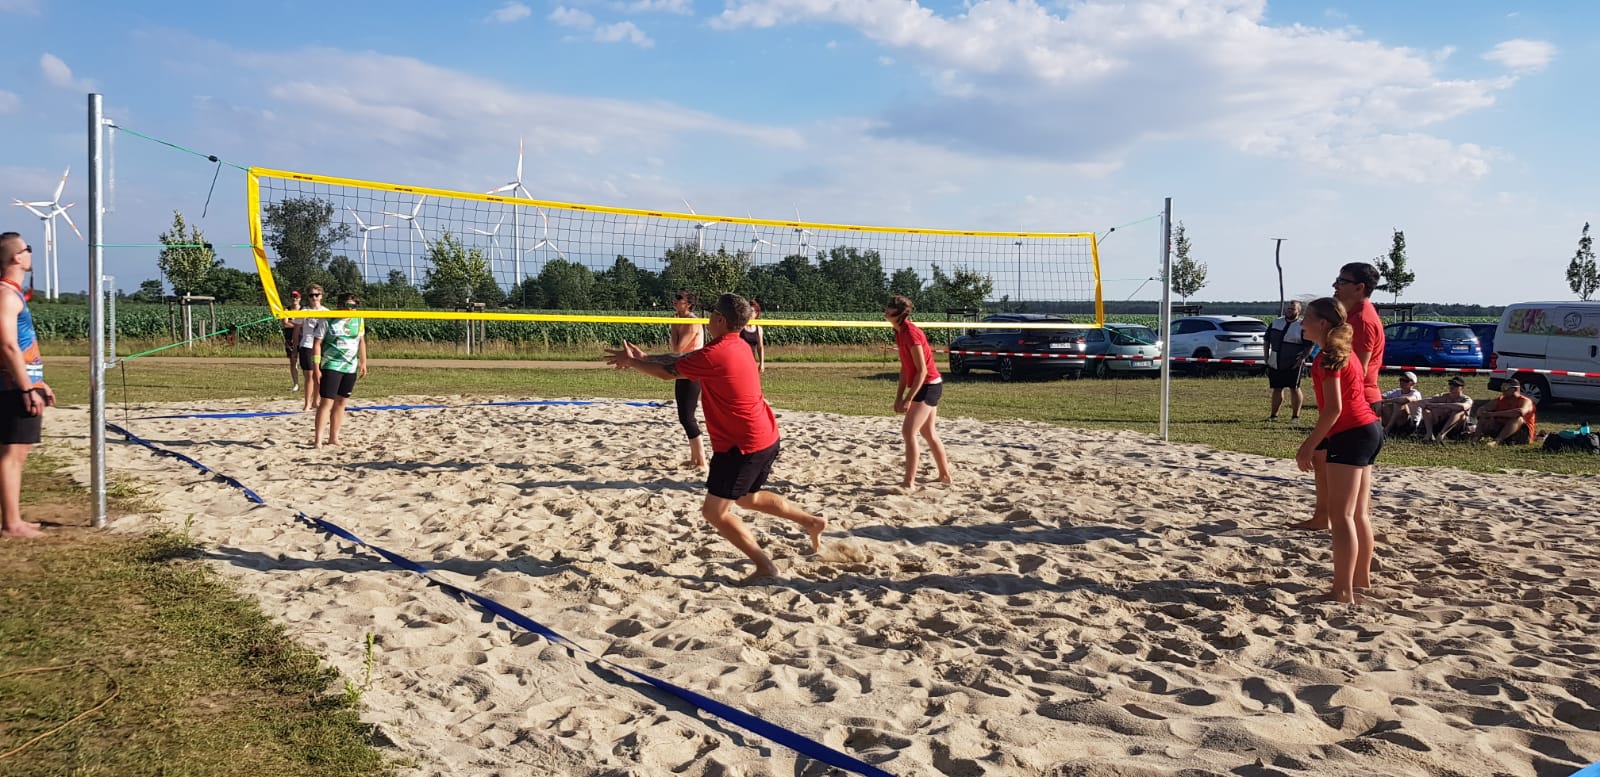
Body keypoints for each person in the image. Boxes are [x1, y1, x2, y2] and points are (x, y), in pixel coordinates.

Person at [604, 293, 826, 581]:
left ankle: (765, 567)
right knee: (748, 498)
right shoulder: (738, 344)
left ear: (720, 320)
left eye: (712, 314)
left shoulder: (716, 353)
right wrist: (645, 358)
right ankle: (811, 522)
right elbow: (681, 359)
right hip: (766, 437)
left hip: (741, 446)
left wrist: (633, 363)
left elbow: (668, 373)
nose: (708, 318)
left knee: (714, 512)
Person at [1294, 296, 1381, 604]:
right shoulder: (1343, 352)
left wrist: (1308, 446)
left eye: (1306, 317)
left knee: (1342, 516)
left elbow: (1333, 409)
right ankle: (1360, 581)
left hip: (1352, 434)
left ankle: (1342, 590)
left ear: (1322, 323)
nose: (1302, 322)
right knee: (1358, 514)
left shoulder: (1329, 357)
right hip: (1369, 430)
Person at [1292, 263, 1384, 531]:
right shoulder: (1350, 316)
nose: (1335, 285)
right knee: (1327, 464)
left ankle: (1345, 522)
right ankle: (1327, 517)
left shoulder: (1362, 320)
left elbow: (1357, 369)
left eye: (1342, 281)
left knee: (1348, 491)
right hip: (1351, 406)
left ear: (1360, 287)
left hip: (1357, 404)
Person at [0, 233, 53, 538]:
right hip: (13, 387)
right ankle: (11, 524)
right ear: (15, 257)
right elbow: (7, 345)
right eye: (27, 249)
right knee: (12, 454)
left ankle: (14, 518)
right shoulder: (6, 295)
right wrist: (26, 388)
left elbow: (23, 346)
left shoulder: (13, 294)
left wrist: (39, 382)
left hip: (23, 383)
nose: (31, 253)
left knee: (18, 454)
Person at [885, 295, 953, 490]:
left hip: (929, 385)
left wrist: (908, 399)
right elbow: (905, 369)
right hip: (926, 384)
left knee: (909, 432)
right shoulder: (899, 332)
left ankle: (909, 482)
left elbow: (922, 371)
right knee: (928, 433)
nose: (886, 310)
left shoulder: (911, 333)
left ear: (900, 313)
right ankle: (945, 476)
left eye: (891, 307)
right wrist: (898, 397)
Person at [312, 292, 367, 449]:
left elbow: (361, 341)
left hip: (350, 366)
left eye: (354, 306)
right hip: (331, 364)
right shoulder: (328, 319)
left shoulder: (358, 319)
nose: (351, 309)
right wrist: (316, 367)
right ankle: (318, 440)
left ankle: (333, 438)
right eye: (348, 306)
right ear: (340, 305)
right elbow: (317, 344)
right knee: (326, 402)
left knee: (342, 402)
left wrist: (363, 362)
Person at [669, 290, 707, 468]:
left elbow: (678, 348)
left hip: (693, 371)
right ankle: (695, 457)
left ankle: (701, 459)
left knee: (687, 417)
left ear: (688, 304)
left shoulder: (691, 321)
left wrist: (674, 326)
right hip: (683, 369)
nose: (675, 302)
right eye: (675, 299)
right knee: (684, 416)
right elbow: (676, 349)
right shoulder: (680, 320)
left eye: (679, 299)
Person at [1265, 300, 1310, 421]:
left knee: (1294, 388)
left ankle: (1295, 417)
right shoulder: (1276, 323)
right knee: (1277, 388)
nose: (1289, 311)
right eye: (1288, 308)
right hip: (1276, 362)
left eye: (1293, 309)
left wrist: (1303, 358)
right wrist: (1266, 357)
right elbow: (1267, 340)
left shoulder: (1303, 325)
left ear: (1299, 311)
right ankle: (1273, 415)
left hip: (1294, 363)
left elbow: (1309, 345)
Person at [1470, 379, 1537, 446]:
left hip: (1522, 435)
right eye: (1501, 388)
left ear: (1515, 389)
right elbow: (1482, 409)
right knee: (1484, 417)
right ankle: (1476, 438)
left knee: (1518, 418)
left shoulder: (1526, 401)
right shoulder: (1500, 400)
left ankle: (1497, 441)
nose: (1503, 391)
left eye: (1505, 388)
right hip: (1503, 430)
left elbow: (1519, 412)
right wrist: (1484, 414)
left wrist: (1493, 414)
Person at [295, 285, 329, 412]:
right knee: (309, 375)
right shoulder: (304, 311)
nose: (314, 297)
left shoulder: (326, 312)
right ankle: (307, 403)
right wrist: (295, 347)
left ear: (321, 296)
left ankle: (316, 401)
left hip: (321, 346)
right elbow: (297, 329)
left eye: (316, 295)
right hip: (307, 345)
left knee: (318, 375)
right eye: (311, 295)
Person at [1419, 376, 1474, 442]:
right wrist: (1432, 407)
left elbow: (1462, 407)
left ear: (1462, 388)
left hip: (1457, 428)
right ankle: (1429, 434)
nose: (1452, 386)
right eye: (1450, 384)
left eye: (1455, 385)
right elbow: (1423, 402)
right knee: (1426, 410)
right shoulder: (1443, 396)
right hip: (1440, 424)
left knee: (1459, 412)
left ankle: (1442, 435)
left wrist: (1438, 405)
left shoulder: (1466, 399)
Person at [1376, 371, 1424, 437]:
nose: (1402, 382)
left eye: (1405, 381)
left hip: (1410, 423)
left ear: (1413, 383)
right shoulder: (1396, 391)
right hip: (1398, 421)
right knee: (1382, 405)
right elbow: (1379, 397)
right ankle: (1377, 426)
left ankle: (1387, 430)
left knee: (1398, 404)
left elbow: (1406, 399)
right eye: (1401, 380)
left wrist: (1386, 401)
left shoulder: (1415, 393)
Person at [283, 289, 303, 392]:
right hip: (290, 338)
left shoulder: (303, 310)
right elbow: (285, 323)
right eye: (293, 297)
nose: (294, 299)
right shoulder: (287, 310)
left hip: (302, 338)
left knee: (305, 361)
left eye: (296, 297)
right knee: (293, 361)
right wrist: (298, 325)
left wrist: (293, 323)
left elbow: (305, 324)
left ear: (300, 298)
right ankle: (296, 384)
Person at [740, 298, 766, 372]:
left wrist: (762, 363)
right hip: (740, 359)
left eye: (751, 311)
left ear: (756, 313)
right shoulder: (741, 327)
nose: (749, 313)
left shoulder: (759, 329)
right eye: (748, 311)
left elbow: (760, 347)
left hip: (751, 360)